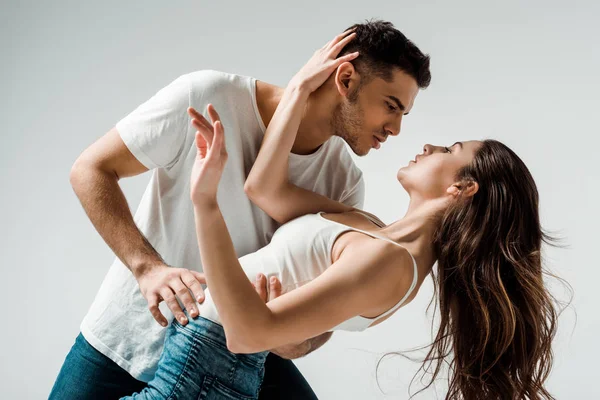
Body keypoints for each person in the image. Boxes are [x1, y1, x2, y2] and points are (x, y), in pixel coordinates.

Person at [122, 31, 559, 400]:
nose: (425, 145)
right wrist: (299, 90)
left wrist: (206, 203)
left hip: (204, 367)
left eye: (448, 150)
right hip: (195, 353)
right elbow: (264, 188)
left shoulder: (393, 264)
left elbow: (248, 334)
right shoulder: (371, 228)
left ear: (461, 189)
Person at [49, 21, 432, 399]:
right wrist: (147, 267)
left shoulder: (344, 183)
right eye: (391, 106)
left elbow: (319, 323)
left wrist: (287, 339)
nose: (395, 129)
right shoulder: (209, 95)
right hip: (125, 339)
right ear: (345, 79)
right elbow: (90, 169)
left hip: (231, 361)